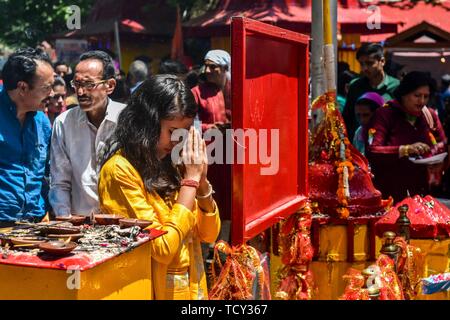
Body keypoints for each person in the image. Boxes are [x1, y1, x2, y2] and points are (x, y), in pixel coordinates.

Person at [98, 75, 220, 299]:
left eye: (183, 133)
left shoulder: (173, 163)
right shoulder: (119, 170)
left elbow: (209, 234)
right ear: (147, 124)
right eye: (172, 132)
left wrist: (201, 184)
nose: (177, 141)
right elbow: (162, 249)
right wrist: (190, 182)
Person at [49, 50, 126, 217]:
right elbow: (60, 182)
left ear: (110, 86)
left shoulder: (128, 120)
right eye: (77, 84)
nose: (81, 92)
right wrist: (65, 221)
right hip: (79, 222)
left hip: (122, 224)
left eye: (89, 85)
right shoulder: (63, 123)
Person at [367, 71, 447, 203]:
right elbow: (372, 150)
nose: (422, 101)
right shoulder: (384, 114)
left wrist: (440, 162)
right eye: (417, 96)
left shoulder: (429, 115)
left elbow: (442, 144)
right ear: (404, 94)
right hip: (390, 192)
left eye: (426, 96)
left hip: (422, 191)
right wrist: (404, 149)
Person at [0, 47, 55, 227]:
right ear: (22, 87)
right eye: (47, 88)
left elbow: (48, 171)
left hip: (34, 223)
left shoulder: (42, 121)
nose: (52, 94)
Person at [343, 43, 400, 141]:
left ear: (382, 61)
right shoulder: (355, 86)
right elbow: (347, 118)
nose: (365, 68)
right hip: (359, 146)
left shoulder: (397, 86)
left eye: (369, 63)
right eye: (362, 64)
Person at [191, 49, 231, 130]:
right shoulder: (196, 92)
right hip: (208, 141)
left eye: (213, 67)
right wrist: (209, 128)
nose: (207, 70)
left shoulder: (237, 90)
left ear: (225, 68)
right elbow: (191, 124)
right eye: (206, 66)